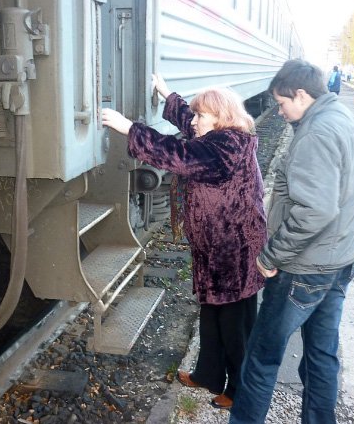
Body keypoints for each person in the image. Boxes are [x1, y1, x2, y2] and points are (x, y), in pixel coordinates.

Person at [102, 75, 267, 410]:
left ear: (220, 118)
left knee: (236, 327)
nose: (193, 121)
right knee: (212, 314)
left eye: (200, 115)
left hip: (234, 253)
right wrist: (167, 94)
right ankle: (208, 374)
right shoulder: (218, 136)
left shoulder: (226, 149)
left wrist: (129, 128)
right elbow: (188, 124)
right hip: (216, 249)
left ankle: (241, 391)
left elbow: (175, 154)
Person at [229, 59, 354, 424]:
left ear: (302, 94)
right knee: (322, 355)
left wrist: (271, 256)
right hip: (339, 263)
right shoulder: (349, 122)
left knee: (262, 358)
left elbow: (316, 211)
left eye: (282, 102)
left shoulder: (315, 134)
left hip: (304, 268)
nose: (280, 111)